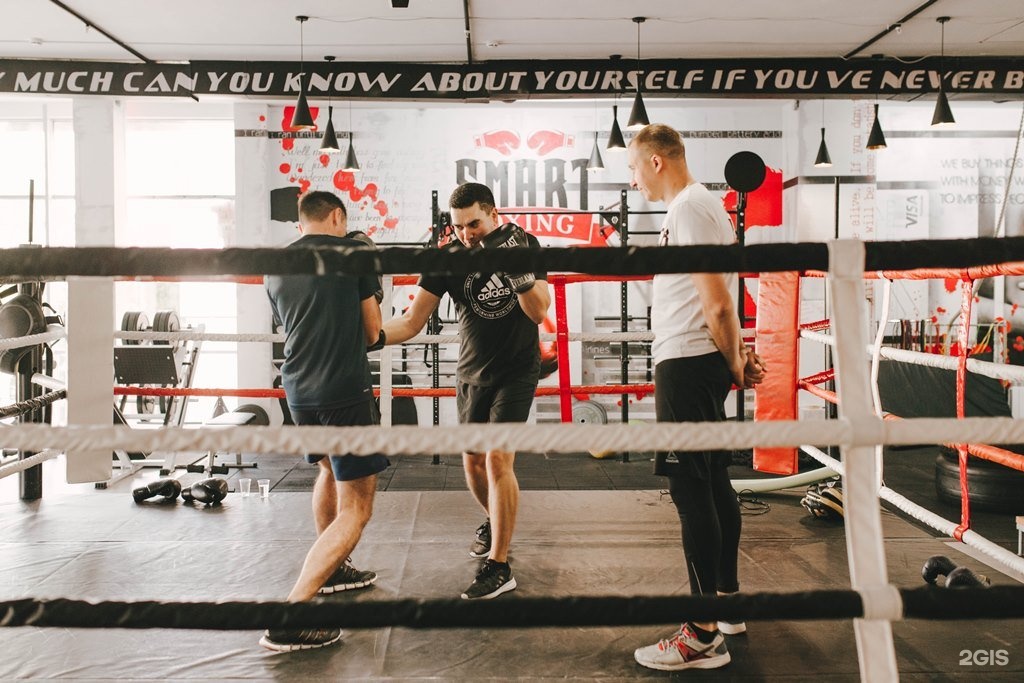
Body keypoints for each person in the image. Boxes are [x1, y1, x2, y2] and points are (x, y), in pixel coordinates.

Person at [626, 124, 767, 672]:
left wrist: (734, 361)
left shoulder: (689, 208)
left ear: (657, 162)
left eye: (635, 169)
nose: (634, 182)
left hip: (688, 363)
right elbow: (721, 301)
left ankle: (702, 634)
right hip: (696, 358)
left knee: (691, 488)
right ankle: (726, 604)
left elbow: (718, 305)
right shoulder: (700, 207)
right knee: (712, 480)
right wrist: (735, 357)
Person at [382, 182, 550, 599]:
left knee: (497, 460)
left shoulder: (523, 243)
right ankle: (495, 520)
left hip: (517, 370)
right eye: (459, 226)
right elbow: (411, 322)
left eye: (473, 223)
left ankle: (499, 564)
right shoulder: (449, 258)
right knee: (473, 463)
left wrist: (517, 269)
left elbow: (539, 311)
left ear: (493, 213)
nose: (467, 233)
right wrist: (365, 336)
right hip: (473, 372)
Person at [260, 190, 390, 651]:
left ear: (301, 223)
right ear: (338, 216)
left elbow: (291, 323)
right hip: (342, 389)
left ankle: (334, 569)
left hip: (299, 390)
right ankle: (294, 611)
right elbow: (373, 331)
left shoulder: (274, 264)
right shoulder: (355, 251)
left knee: (327, 472)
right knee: (359, 506)